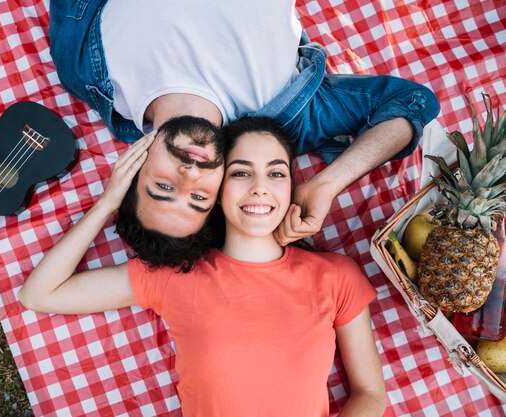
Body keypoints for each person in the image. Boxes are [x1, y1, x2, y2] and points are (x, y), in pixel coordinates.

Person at [19, 117, 387, 417]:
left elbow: (370, 393)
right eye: (241, 173)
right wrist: (109, 201)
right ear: (215, 191)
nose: (260, 188)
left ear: (292, 185)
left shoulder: (336, 275)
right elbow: (40, 294)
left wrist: (327, 184)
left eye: (276, 174)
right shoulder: (175, 275)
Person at [48, 0, 441, 259]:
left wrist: (105, 205)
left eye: (164, 188)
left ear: (131, 172)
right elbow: (412, 103)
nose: (189, 176)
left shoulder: (81, 68)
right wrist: (325, 184)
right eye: (200, 198)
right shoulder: (286, 122)